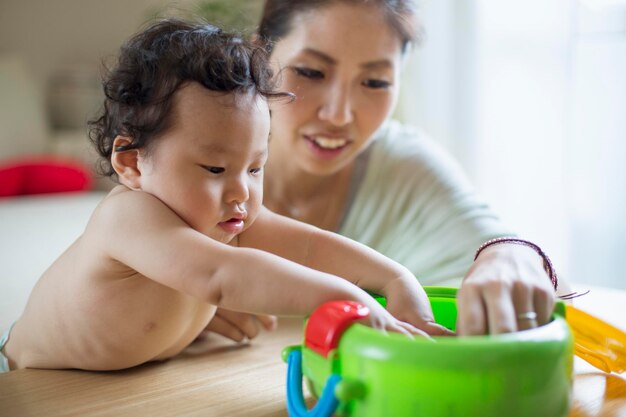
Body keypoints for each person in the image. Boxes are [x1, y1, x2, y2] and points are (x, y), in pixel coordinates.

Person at [0, 19, 451, 373]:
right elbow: (222, 275)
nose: (242, 190)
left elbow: (312, 247)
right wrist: (355, 303)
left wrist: (395, 280)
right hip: (27, 376)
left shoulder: (227, 215)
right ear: (132, 162)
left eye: (255, 167)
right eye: (215, 169)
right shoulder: (127, 218)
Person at [245, 0, 567, 337]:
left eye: (374, 82)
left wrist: (510, 256)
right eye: (311, 72)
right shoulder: (193, 157)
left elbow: (545, 284)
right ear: (259, 58)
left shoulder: (401, 168)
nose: (339, 115)